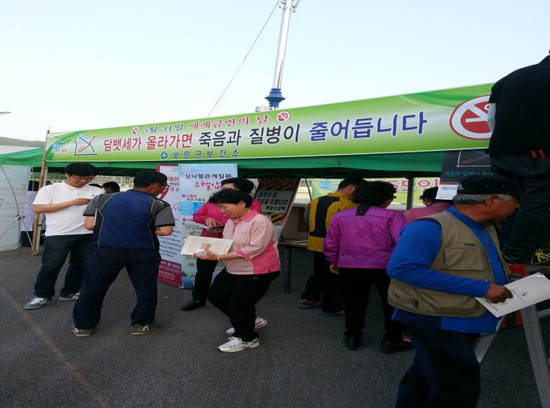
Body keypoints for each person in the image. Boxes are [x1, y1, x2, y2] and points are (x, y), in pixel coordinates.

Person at [387, 175, 520, 408]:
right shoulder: (428, 227)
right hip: (436, 318)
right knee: (457, 386)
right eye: (515, 200)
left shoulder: (487, 228)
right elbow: (403, 269)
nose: (517, 206)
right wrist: (483, 288)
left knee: (428, 373)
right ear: (491, 200)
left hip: (465, 315)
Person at [72, 170, 175, 337]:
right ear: (154, 186)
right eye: (164, 186)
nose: (164, 190)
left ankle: (83, 326)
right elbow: (166, 231)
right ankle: (142, 324)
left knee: (92, 287)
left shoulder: (101, 199)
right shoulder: (159, 204)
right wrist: (145, 231)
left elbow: (89, 225)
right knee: (145, 288)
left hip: (105, 251)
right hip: (144, 252)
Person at [324, 181, 411, 352]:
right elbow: (403, 243)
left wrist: (333, 260)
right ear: (385, 199)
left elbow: (331, 242)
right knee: (392, 302)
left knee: (353, 302)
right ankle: (392, 339)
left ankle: (352, 336)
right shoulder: (393, 216)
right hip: (385, 266)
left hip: (349, 265)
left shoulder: (340, 216)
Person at [195, 188, 279, 353]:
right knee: (216, 295)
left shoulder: (260, 221)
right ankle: (248, 321)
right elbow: (229, 243)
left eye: (224, 206)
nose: (222, 211)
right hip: (234, 267)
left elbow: (255, 248)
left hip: (257, 270)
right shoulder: (230, 221)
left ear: (241, 203)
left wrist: (217, 257)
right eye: (219, 207)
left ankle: (247, 338)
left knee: (239, 304)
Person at [487, 52, 550, 264]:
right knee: (539, 206)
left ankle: (502, 255)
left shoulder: (508, 79)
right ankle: (513, 257)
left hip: (502, 153)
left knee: (511, 205)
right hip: (540, 155)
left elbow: (491, 119)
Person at [24, 163, 102, 310]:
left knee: (80, 265)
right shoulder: (50, 189)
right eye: (78, 177)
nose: (83, 181)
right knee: (51, 266)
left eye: (88, 178)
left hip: (86, 233)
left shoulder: (97, 191)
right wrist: (72, 203)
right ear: (67, 174)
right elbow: (39, 208)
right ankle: (42, 295)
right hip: (58, 233)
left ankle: (70, 292)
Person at [180, 177, 262, 312]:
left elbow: (251, 224)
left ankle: (233, 301)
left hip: (235, 243)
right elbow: (197, 216)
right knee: (203, 271)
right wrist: (207, 218)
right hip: (210, 241)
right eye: (222, 189)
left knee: (235, 272)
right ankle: (198, 299)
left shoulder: (252, 204)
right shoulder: (213, 201)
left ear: (242, 192)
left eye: (227, 189)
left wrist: (225, 227)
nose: (222, 192)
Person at [299, 177, 365, 315]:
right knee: (333, 276)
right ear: (351, 188)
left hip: (315, 243)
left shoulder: (315, 201)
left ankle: (309, 298)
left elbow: (306, 220)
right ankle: (330, 307)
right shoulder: (348, 205)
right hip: (335, 246)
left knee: (318, 273)